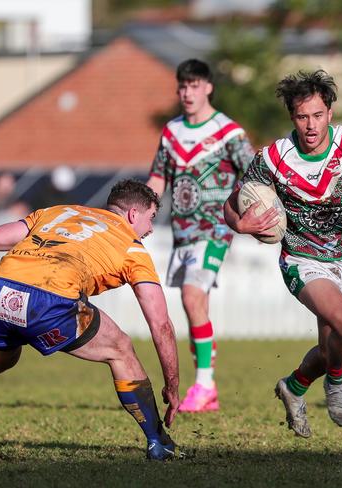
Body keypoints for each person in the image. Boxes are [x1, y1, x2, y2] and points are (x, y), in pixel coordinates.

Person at [0, 179, 182, 460]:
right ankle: (159, 442)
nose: (150, 229)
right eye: (151, 219)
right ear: (133, 214)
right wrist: (172, 383)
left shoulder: (60, 212)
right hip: (50, 299)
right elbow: (160, 324)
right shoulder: (132, 247)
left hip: (0, 289)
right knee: (120, 349)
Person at [224, 69, 342, 437]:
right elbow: (232, 205)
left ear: (329, 113)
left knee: (330, 348)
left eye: (317, 115)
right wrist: (241, 224)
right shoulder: (272, 158)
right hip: (300, 259)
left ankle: (294, 387)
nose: (310, 125)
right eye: (301, 116)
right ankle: (337, 385)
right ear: (292, 117)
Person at [147, 59, 255, 413]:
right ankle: (207, 387)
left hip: (216, 228)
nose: (187, 93)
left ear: (208, 87)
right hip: (183, 232)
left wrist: (251, 212)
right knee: (195, 306)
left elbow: (255, 172)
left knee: (193, 298)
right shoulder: (172, 132)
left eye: (194, 85)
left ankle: (204, 384)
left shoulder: (228, 132)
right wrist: (138, 213)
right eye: (182, 86)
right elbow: (158, 178)